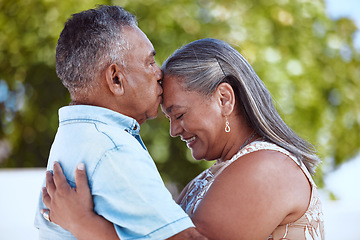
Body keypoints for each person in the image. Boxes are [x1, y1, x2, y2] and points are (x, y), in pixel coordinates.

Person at [42, 38, 325, 239]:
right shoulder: (205, 182)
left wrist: (84, 224)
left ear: (224, 99)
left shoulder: (267, 167)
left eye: (179, 114)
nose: (174, 131)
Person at [34, 5, 206, 240]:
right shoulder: (112, 149)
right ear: (116, 79)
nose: (159, 73)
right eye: (149, 62)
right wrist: (83, 224)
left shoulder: (74, 138)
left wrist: (85, 225)